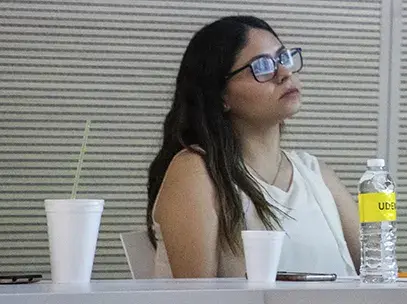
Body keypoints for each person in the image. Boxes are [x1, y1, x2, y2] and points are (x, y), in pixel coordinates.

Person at [145, 15, 360, 278]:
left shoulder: (315, 173)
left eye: (283, 58)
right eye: (262, 66)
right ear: (221, 95)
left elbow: (378, 271)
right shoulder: (196, 170)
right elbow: (198, 294)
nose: (284, 73)